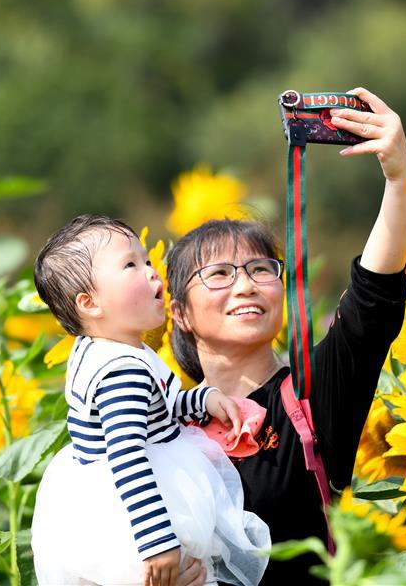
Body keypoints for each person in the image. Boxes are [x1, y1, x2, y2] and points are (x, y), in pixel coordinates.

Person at [166, 87, 406, 583]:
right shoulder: (163, 422)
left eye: (261, 269)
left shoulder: (311, 396)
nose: (244, 284)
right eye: (218, 274)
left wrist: (400, 180)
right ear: (180, 313)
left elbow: (372, 299)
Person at [30, 215, 271, 586]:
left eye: (146, 260)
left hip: (110, 507)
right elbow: (128, 455)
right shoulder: (121, 372)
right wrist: (158, 543)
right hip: (140, 519)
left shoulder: (102, 348)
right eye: (131, 265)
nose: (152, 272)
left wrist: (199, 399)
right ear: (90, 303)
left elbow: (154, 406)